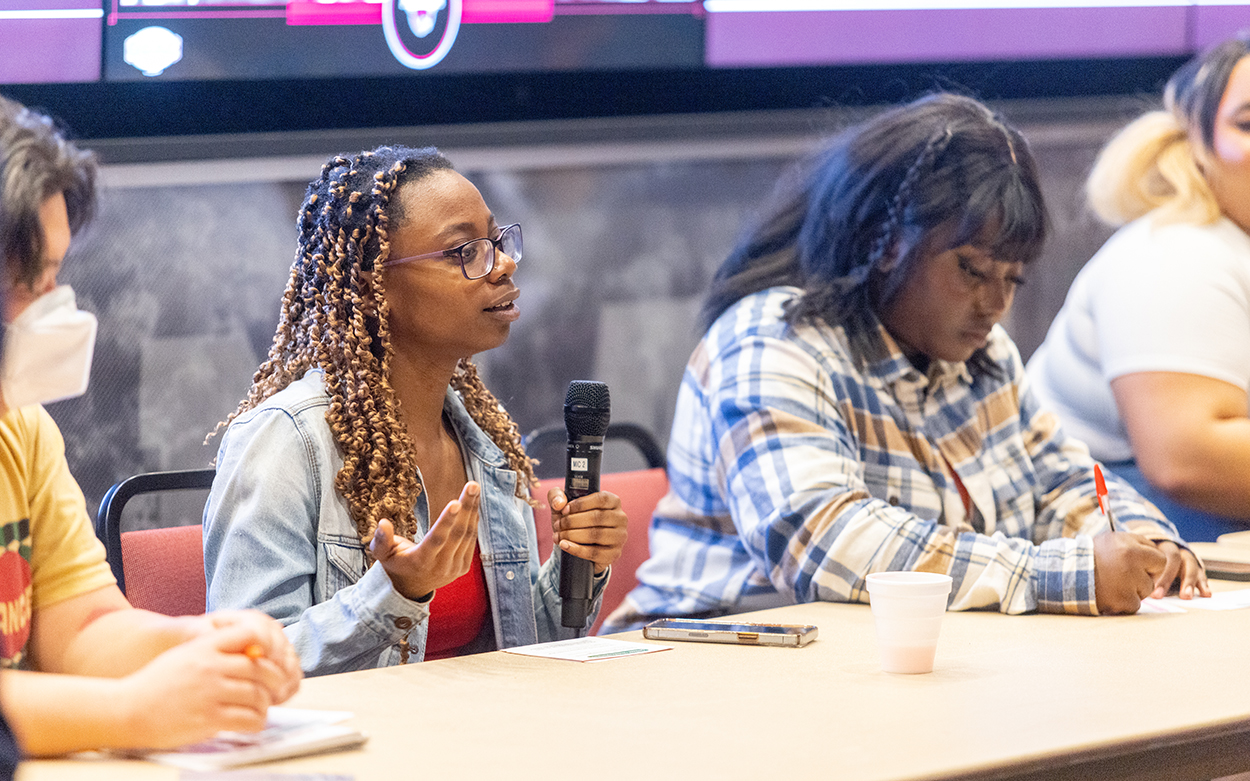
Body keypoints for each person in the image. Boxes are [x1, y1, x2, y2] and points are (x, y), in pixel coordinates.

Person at [603, 93, 1208, 633]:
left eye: (1012, 279)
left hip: (877, 666)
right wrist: (1067, 575)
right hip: (707, 666)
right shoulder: (773, 339)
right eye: (971, 270)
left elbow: (1060, 483)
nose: (995, 304)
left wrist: (1146, 542)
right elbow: (827, 545)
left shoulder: (982, 353)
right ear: (886, 243)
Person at [203, 145, 628, 676]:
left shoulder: (482, 441)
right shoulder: (286, 441)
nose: (505, 263)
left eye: (496, 241)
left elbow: (519, 653)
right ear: (372, 281)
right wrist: (395, 592)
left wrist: (576, 564)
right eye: (463, 251)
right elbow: (249, 663)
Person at [0, 94, 302, 756]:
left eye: (57, 274)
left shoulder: (21, 431)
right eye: (28, 282)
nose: (53, 307)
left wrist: (204, 642)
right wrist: (131, 710)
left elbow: (81, 627)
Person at [1027, 34, 1250, 542]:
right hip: (1091, 532)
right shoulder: (1177, 254)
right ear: (1196, 143)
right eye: (1249, 123)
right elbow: (1188, 459)